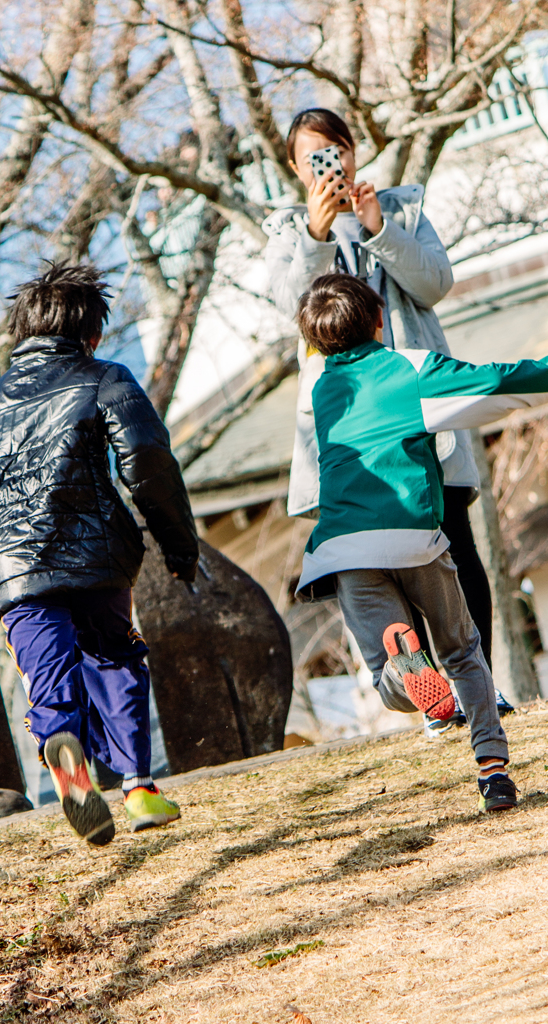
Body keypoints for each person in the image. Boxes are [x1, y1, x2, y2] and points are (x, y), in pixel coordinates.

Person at [262, 106, 513, 735]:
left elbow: (434, 284)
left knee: (456, 538)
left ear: (354, 151)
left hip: (423, 395)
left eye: (337, 149)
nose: (331, 163)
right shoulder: (288, 230)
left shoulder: (399, 208)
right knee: (380, 554)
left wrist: (378, 230)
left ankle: (478, 685)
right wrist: (318, 241)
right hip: (351, 417)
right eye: (314, 155)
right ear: (296, 169)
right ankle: (436, 697)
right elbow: (291, 311)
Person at [0, 262, 199, 845]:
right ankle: (137, 787)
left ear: (20, 334)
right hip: (97, 558)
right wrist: (180, 548)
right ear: (93, 333)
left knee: (46, 669)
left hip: (16, 568)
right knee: (113, 658)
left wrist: (0, 530)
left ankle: (65, 750)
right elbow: (149, 466)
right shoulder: (105, 377)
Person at [295, 273, 548, 811]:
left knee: (385, 679)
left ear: (315, 342)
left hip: (344, 546)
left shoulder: (317, 388)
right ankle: (494, 771)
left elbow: (315, 348)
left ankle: (405, 669)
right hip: (413, 535)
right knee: (462, 650)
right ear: (380, 320)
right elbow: (495, 384)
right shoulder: (406, 369)